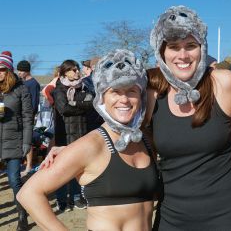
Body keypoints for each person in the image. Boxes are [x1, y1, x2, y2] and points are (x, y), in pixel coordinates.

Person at [17, 49, 160, 231]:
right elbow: (29, 194)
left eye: (132, 91)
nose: (124, 99)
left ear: (140, 96)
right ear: (102, 97)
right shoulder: (90, 145)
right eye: (115, 91)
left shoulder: (146, 140)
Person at [147, 5, 231, 230]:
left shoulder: (224, 83)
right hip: (172, 218)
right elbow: (121, 133)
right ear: (162, 52)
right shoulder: (153, 94)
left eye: (191, 46)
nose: (183, 55)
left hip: (226, 216)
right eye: (174, 47)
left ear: (202, 48)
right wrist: (68, 149)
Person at [51, 59, 95, 211]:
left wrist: (76, 104)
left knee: (77, 168)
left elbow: (91, 104)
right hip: (64, 134)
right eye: (73, 70)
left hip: (81, 132)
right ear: (65, 72)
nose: (77, 72)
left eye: (77, 69)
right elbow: (64, 109)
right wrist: (80, 104)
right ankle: (61, 199)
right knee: (62, 168)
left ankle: (76, 197)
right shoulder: (59, 89)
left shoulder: (83, 87)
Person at [0, 51, 33, 231]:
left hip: (14, 139)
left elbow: (28, 117)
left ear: (9, 70)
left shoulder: (21, 89)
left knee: (13, 179)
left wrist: (27, 142)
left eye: (2, 69)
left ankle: (22, 215)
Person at [17, 60, 41, 176]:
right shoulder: (21, 83)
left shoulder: (33, 84)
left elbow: (34, 103)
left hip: (28, 117)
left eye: (21, 70)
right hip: (19, 116)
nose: (19, 73)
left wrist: (30, 116)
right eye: (19, 70)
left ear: (27, 70)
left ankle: (29, 166)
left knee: (28, 141)